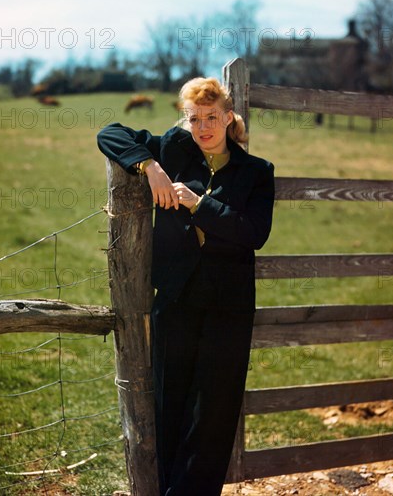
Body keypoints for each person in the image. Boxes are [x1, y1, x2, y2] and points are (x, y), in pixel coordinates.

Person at [97, 77, 275, 496]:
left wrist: (200, 204)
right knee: (169, 404)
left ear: (228, 117)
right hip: (175, 300)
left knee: (212, 414)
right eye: (195, 119)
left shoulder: (256, 172)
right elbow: (110, 133)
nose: (203, 127)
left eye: (212, 117)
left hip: (227, 308)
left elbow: (253, 232)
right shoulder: (175, 151)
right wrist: (150, 167)